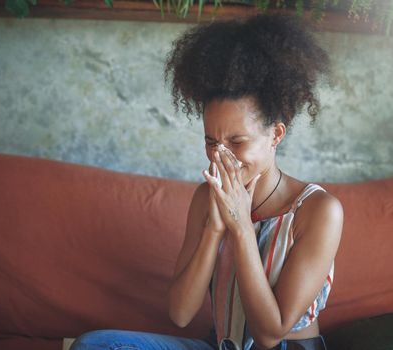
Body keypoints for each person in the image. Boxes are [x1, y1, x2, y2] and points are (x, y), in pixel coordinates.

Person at [70, 13, 343, 350]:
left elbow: (271, 334)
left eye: (237, 142)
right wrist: (214, 230)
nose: (220, 156)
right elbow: (181, 314)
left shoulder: (318, 210)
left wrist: (241, 225)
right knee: (96, 345)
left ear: (276, 134)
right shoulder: (206, 198)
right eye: (211, 142)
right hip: (220, 345)